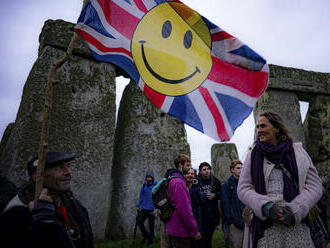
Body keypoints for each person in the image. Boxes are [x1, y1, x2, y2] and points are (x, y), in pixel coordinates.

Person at [237, 111, 323, 248]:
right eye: (257, 127)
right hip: (266, 224)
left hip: (295, 222)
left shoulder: (297, 151)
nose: (259, 130)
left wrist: (295, 210)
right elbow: (243, 188)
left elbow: (315, 186)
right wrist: (265, 206)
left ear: (277, 128)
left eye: (263, 126)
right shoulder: (253, 154)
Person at [0, 150, 94, 248]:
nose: (68, 172)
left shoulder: (74, 206)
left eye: (68, 166)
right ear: (37, 176)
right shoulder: (19, 212)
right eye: (59, 168)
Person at [165, 154, 201, 248]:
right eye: (188, 165)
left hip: (174, 227)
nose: (190, 168)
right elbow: (184, 210)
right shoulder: (179, 183)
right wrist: (194, 229)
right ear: (181, 165)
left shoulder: (172, 179)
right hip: (180, 229)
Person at [221, 160, 245, 248]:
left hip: (246, 221)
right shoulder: (226, 185)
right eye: (238, 168)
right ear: (232, 170)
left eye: (242, 168)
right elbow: (225, 205)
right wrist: (230, 222)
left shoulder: (245, 184)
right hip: (234, 223)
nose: (241, 170)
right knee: (235, 245)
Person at [198, 162, 221, 248]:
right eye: (204, 169)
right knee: (200, 240)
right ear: (200, 171)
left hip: (212, 214)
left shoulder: (215, 181)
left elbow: (221, 193)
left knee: (208, 239)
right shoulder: (196, 181)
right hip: (201, 214)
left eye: (208, 169)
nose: (207, 171)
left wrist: (215, 195)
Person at [136, 172, 157, 246]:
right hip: (144, 208)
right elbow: (141, 195)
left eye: (150, 177)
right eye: (147, 177)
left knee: (151, 226)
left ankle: (150, 241)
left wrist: (155, 209)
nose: (148, 178)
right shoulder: (144, 185)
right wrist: (138, 205)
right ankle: (146, 236)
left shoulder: (156, 185)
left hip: (152, 209)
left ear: (152, 178)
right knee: (139, 222)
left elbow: (157, 197)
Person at [184, 168, 203, 248]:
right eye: (188, 173)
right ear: (184, 175)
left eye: (192, 174)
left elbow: (202, 200)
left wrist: (196, 187)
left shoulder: (197, 186)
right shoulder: (183, 186)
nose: (190, 175)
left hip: (195, 217)